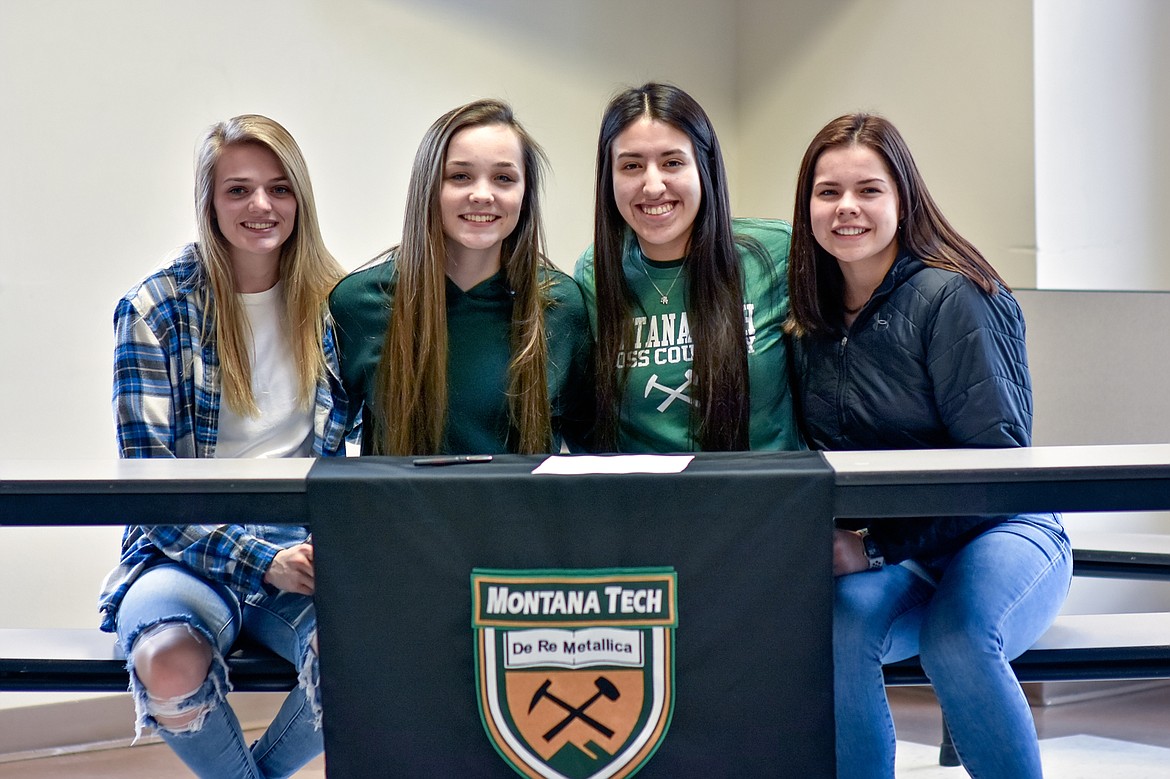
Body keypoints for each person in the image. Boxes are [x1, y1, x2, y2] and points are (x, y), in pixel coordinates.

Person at [786, 113, 1072, 778]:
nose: (846, 207)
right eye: (828, 192)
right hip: (909, 546)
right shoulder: (810, 317)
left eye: (868, 190)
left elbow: (999, 471)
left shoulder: (956, 295)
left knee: (959, 636)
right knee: (841, 624)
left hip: (1005, 526)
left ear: (903, 198)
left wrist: (876, 546)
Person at [99, 114, 347, 778]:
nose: (261, 206)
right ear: (209, 203)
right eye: (238, 190)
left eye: (278, 188)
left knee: (374, 650)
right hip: (186, 544)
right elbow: (152, 490)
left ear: (300, 198)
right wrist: (261, 559)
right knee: (167, 656)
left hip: (304, 542)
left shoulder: (339, 306)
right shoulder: (155, 308)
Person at [328, 99, 591, 455]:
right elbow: (324, 442)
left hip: (524, 512)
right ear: (429, 187)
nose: (482, 194)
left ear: (525, 194)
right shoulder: (358, 305)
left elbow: (592, 449)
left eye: (503, 178)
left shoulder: (561, 306)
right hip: (399, 511)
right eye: (460, 176)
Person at [574, 82, 799, 453]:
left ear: (704, 167)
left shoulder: (775, 252)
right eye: (631, 165)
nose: (652, 185)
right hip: (650, 503)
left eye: (672, 162)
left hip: (769, 497)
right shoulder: (595, 273)